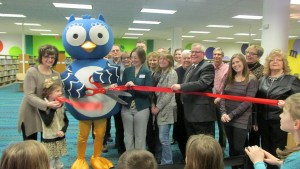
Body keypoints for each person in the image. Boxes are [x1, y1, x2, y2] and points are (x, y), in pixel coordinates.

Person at [256, 49, 300, 169]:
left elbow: (298, 101)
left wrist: (287, 104)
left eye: (278, 60)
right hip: (263, 120)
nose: (275, 62)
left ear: (283, 63)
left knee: (279, 149)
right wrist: (255, 120)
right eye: (272, 60)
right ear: (268, 63)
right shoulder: (262, 80)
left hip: (281, 121)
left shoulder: (291, 80)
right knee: (265, 147)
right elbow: (257, 101)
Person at [220, 53, 258, 169]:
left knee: (238, 148)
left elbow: (247, 102)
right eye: (233, 63)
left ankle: (244, 166)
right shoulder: (229, 78)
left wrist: (231, 115)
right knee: (231, 147)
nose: (236, 65)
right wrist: (223, 113)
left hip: (242, 118)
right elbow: (223, 96)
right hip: (227, 117)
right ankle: (234, 167)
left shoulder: (251, 79)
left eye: (238, 62)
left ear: (243, 62)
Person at [171, 43, 216, 138]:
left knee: (203, 143)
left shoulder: (207, 66)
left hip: (201, 114)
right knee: (193, 141)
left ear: (203, 54)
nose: (194, 54)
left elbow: (202, 83)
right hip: (189, 112)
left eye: (197, 52)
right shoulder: (191, 67)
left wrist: (180, 86)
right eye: (192, 51)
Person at [18, 44, 62, 141]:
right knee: (30, 144)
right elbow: (29, 95)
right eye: (46, 56)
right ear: (40, 57)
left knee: (47, 142)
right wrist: (47, 104)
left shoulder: (56, 74)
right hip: (31, 111)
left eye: (52, 57)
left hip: (48, 113)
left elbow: (59, 92)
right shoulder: (32, 72)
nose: (49, 59)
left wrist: (59, 101)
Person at [245, 93, 300, 169]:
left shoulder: (296, 159)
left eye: (284, 112)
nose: (280, 115)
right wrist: (279, 162)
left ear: (296, 124)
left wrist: (258, 162)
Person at [121, 47, 152, 150]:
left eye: (136, 57)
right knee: (127, 136)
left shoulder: (147, 72)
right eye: (132, 57)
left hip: (142, 108)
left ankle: (140, 160)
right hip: (127, 107)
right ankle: (129, 158)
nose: (133, 60)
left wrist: (134, 86)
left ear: (142, 58)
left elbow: (148, 92)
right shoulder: (127, 70)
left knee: (140, 136)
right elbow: (122, 88)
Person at [151, 51, 178, 165]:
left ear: (170, 61)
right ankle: (164, 160)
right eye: (160, 58)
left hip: (166, 109)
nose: (161, 61)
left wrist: (157, 107)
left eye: (164, 59)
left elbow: (169, 94)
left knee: (163, 138)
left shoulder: (172, 73)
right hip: (158, 107)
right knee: (161, 137)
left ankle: (167, 162)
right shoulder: (159, 72)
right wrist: (153, 104)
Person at [39, 80, 68, 169]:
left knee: (57, 157)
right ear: (50, 94)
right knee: (50, 159)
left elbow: (66, 120)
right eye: (57, 91)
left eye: (60, 91)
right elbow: (47, 122)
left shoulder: (60, 104)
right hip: (49, 137)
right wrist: (53, 109)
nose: (61, 93)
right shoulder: (43, 105)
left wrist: (63, 131)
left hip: (59, 136)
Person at [173, 50, 192, 159]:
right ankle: (184, 154)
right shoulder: (176, 71)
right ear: (180, 59)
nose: (186, 60)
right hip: (178, 107)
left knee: (190, 132)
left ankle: (191, 154)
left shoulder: (195, 71)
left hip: (191, 107)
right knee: (180, 131)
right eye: (184, 58)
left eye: (188, 58)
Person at [245, 45, 265, 147]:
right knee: (241, 138)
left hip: (255, 109)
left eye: (252, 53)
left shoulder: (263, 70)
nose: (248, 55)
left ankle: (252, 161)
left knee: (254, 137)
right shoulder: (240, 67)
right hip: (241, 107)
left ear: (258, 56)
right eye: (247, 52)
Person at [146, 51, 162, 162]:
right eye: (150, 60)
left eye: (154, 60)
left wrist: (154, 105)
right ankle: (151, 150)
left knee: (158, 130)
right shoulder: (148, 72)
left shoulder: (160, 73)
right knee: (149, 129)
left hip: (158, 105)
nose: (152, 62)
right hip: (149, 103)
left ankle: (157, 153)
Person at [212, 47, 229, 150]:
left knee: (222, 126)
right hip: (210, 100)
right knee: (210, 125)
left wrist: (220, 96)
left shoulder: (227, 68)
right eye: (215, 54)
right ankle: (212, 146)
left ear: (222, 56)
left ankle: (222, 147)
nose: (216, 56)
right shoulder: (210, 67)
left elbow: (227, 85)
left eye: (219, 54)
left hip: (222, 100)